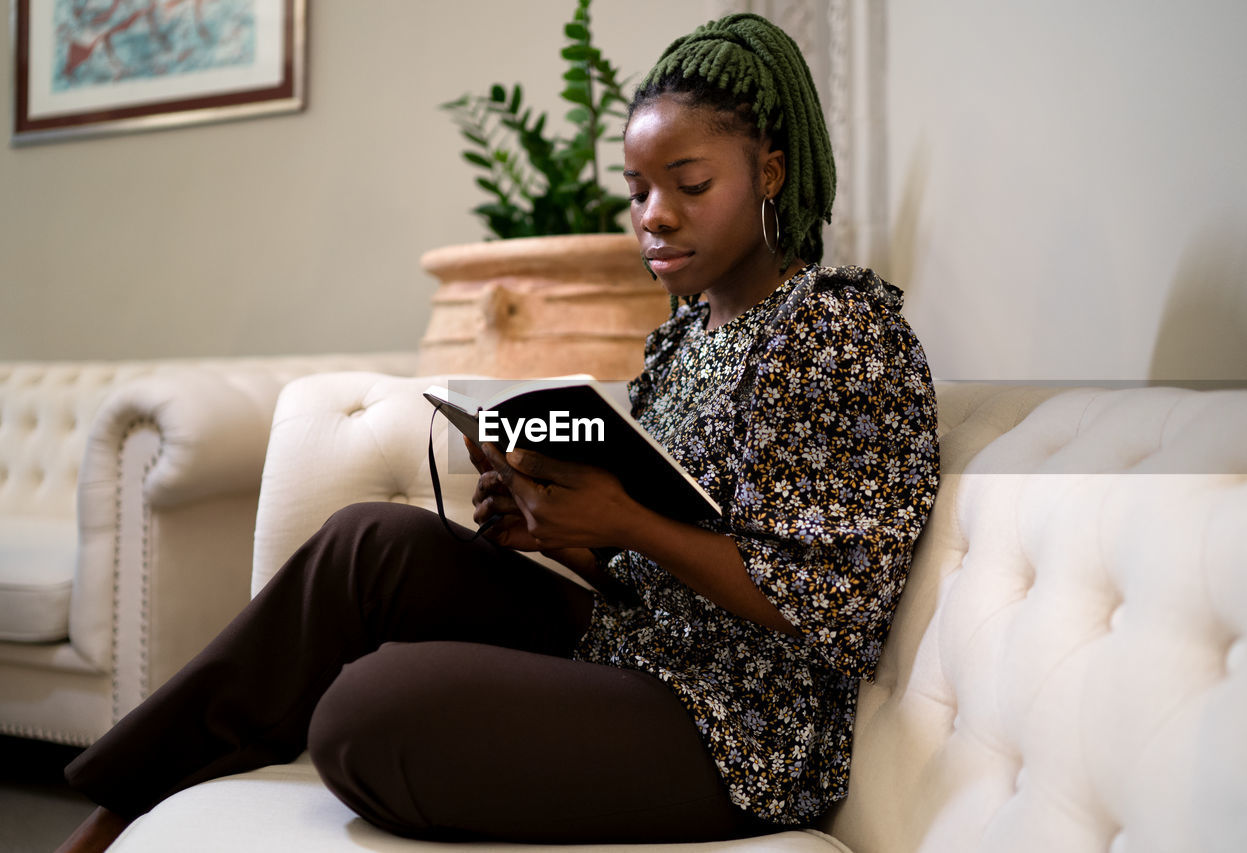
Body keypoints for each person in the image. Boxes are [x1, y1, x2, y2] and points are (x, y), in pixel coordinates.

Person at [57, 12, 939, 852]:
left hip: (742, 734)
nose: (655, 215)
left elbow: (837, 607)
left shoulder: (837, 330)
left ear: (772, 175)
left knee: (367, 711)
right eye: (638, 191)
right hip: (633, 647)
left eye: (690, 185)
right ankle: (119, 808)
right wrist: (558, 526)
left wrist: (623, 522)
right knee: (369, 540)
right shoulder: (684, 335)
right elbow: (660, 566)